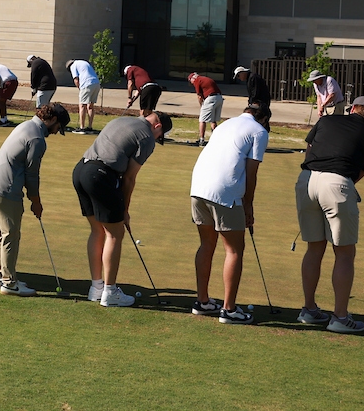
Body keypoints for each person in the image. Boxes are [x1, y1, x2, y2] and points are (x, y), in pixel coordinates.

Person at [295, 96, 364, 333]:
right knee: (344, 253)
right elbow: (356, 176)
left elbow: (309, 151)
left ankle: (309, 310)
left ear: (352, 108)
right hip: (337, 183)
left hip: (306, 180)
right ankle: (340, 318)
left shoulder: (327, 121)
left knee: (314, 247)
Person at [73, 110, 171, 307]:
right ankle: (110, 292)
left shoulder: (122, 119)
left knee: (97, 230)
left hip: (81, 171)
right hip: (100, 176)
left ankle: (96, 288)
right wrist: (124, 211)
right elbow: (129, 178)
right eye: (159, 137)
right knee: (115, 234)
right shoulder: (146, 137)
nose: (156, 140)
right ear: (157, 127)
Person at [189, 102, 270, 324]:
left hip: (198, 188)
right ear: (264, 119)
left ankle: (203, 302)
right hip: (225, 192)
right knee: (234, 250)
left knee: (207, 244)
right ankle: (229, 310)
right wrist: (248, 206)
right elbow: (251, 173)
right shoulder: (259, 131)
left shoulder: (224, 125)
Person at [0, 102, 69, 296]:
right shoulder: (38, 138)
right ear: (52, 119)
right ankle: (9, 283)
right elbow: (32, 175)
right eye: (58, 127)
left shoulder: (25, 125)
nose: (56, 132)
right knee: (11, 235)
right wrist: (36, 201)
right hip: (6, 190)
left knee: (0, 232)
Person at [189, 72, 224, 145]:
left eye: (190, 82)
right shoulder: (205, 78)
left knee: (202, 119)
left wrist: (201, 106)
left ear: (192, 79)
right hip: (219, 98)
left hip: (210, 98)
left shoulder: (197, 80)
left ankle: (201, 140)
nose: (192, 84)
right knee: (213, 120)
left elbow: (199, 96)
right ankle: (216, 139)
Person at [67, 58, 101, 133]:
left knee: (82, 105)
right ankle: (90, 127)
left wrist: (80, 88)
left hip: (87, 84)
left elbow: (76, 80)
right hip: (96, 84)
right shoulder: (83, 62)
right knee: (90, 106)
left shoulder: (73, 66)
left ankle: (82, 128)